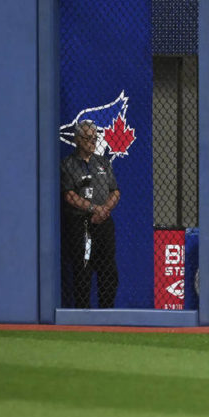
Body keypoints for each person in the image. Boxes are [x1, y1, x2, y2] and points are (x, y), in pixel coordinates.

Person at [60, 120, 121, 308]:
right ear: (77, 139)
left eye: (95, 138)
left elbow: (115, 192)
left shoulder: (103, 163)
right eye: (87, 138)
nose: (92, 142)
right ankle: (83, 311)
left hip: (104, 222)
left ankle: (107, 310)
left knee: (108, 269)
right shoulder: (68, 164)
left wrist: (104, 209)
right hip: (81, 223)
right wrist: (93, 209)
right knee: (83, 268)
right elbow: (70, 195)